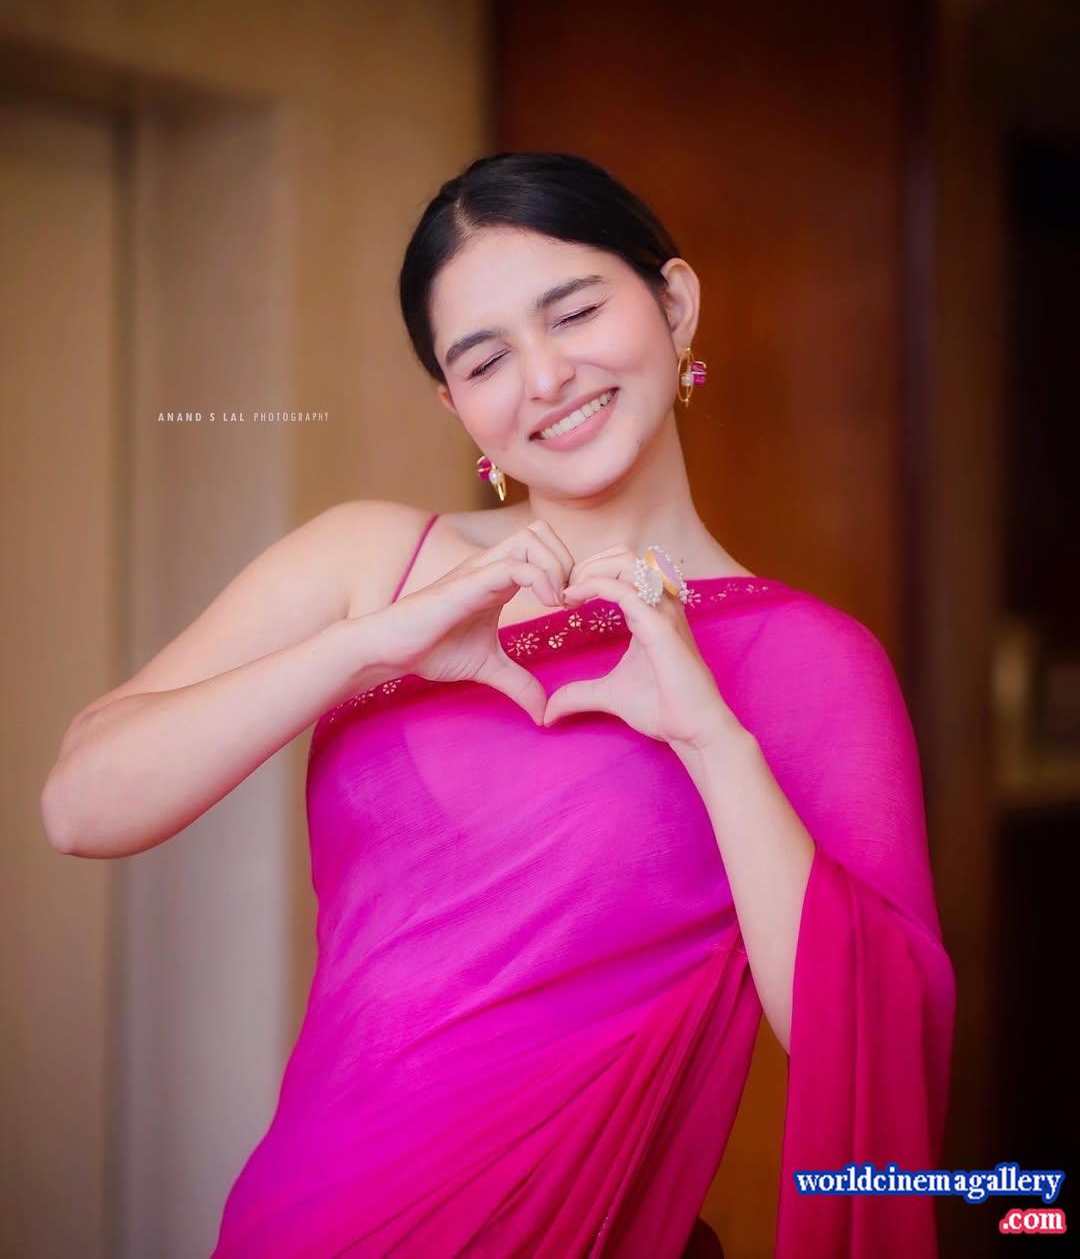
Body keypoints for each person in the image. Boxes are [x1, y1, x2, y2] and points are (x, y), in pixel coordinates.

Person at [42, 152, 956, 1257]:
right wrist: (371, 646)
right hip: (308, 1223)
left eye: (574, 312)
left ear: (674, 304)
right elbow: (81, 806)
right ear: (456, 404)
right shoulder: (372, 561)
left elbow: (867, 1036)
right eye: (485, 360)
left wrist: (713, 741)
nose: (546, 377)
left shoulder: (807, 659)